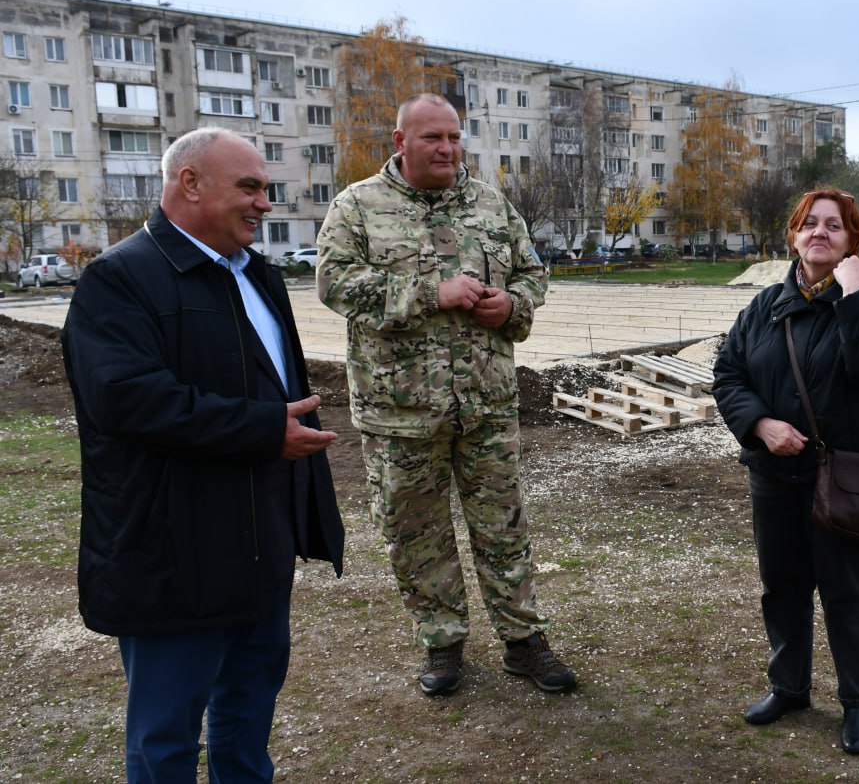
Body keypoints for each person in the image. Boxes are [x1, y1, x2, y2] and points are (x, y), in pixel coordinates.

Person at [60, 128, 345, 782]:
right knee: (165, 742)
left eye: (265, 189)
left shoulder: (260, 277)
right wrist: (260, 431)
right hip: (171, 559)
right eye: (249, 187)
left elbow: (280, 387)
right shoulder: (118, 279)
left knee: (246, 729)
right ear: (189, 183)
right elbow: (127, 400)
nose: (264, 203)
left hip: (259, 550)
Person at [316, 93, 576, 696]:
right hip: (400, 412)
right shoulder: (357, 206)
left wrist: (512, 303)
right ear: (400, 140)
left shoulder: (489, 203)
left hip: (485, 405)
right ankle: (442, 643)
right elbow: (335, 284)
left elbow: (533, 273)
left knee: (503, 526)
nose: (447, 149)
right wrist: (434, 291)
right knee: (416, 533)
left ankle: (522, 640)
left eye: (455, 137)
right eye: (433, 138)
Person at [713, 187, 859, 755]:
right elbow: (728, 376)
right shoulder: (763, 308)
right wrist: (761, 425)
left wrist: (853, 296)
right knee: (783, 588)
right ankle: (789, 687)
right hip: (776, 478)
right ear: (793, 235)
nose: (820, 233)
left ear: (852, 241)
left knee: (847, 593)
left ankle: (856, 705)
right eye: (810, 224)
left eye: (835, 226)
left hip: (844, 478)